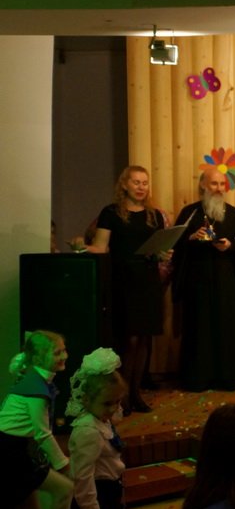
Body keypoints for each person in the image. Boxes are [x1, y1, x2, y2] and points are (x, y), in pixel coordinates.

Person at [82, 165, 167, 414]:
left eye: (145, 183)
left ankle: (136, 394)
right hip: (124, 281)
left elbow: (157, 249)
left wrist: (163, 253)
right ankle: (123, 396)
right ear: (125, 185)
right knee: (129, 339)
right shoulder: (111, 212)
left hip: (148, 280)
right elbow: (101, 247)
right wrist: (81, 246)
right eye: (136, 182)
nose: (141, 187)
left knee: (144, 339)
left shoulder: (154, 215)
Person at [172, 169, 235, 391]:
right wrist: (191, 238)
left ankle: (229, 377)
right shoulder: (189, 213)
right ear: (203, 185)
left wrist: (231, 246)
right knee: (199, 330)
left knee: (228, 329)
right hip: (197, 285)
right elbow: (174, 246)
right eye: (214, 184)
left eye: (222, 184)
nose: (218, 189)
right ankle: (198, 378)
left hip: (228, 285)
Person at [0, 330, 76, 509]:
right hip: (11, 454)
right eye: (57, 352)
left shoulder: (35, 380)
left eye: (64, 350)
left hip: (16, 450)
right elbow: (42, 433)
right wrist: (64, 464)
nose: (64, 356)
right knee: (58, 493)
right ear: (38, 358)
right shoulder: (35, 388)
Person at [63, 348, 131, 509]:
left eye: (117, 402)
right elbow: (83, 477)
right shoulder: (88, 431)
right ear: (86, 400)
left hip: (107, 497)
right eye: (107, 403)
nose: (113, 409)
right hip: (97, 501)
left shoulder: (101, 422)